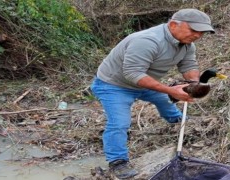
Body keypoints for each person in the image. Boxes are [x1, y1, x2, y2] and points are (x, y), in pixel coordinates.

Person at [91, 8, 215, 179]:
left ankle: (178, 121)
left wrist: (193, 84)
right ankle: (118, 162)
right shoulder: (147, 41)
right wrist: (171, 90)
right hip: (114, 85)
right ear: (173, 24)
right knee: (119, 123)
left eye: (202, 32)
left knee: (165, 100)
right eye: (194, 30)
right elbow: (133, 74)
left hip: (145, 81)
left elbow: (188, 67)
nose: (197, 36)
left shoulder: (187, 45)